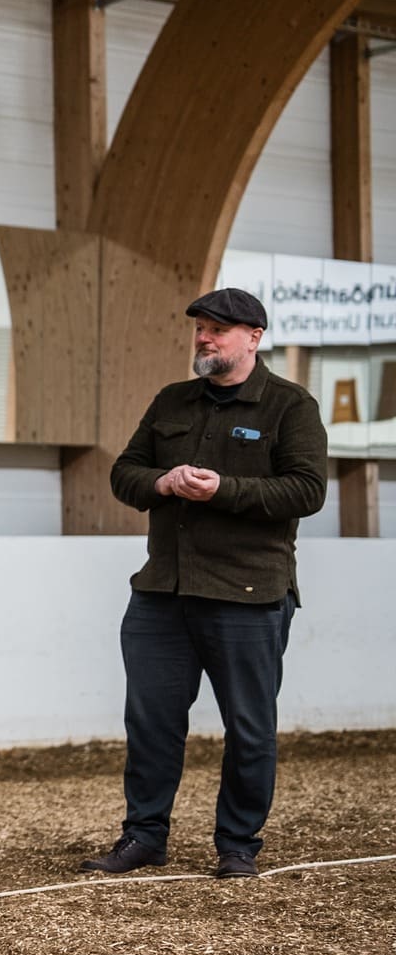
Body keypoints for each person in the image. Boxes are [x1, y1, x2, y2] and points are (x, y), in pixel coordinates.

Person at [84, 287, 326, 879]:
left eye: (218, 329)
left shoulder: (290, 406)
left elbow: (306, 490)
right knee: (150, 723)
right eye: (200, 328)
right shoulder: (172, 400)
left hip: (248, 595)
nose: (204, 338)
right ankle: (144, 837)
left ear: (254, 337)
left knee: (249, 729)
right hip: (162, 593)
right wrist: (163, 483)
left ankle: (238, 845)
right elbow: (124, 473)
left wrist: (223, 490)